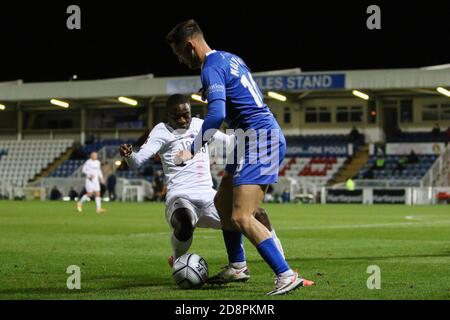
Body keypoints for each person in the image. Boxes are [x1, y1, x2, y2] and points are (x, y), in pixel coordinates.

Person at [166, 20, 313, 295]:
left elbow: (218, 115)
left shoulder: (210, 68)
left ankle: (285, 275)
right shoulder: (229, 58)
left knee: (241, 215)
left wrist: (192, 149)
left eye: (179, 53)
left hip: (259, 138)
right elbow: (240, 94)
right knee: (222, 204)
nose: (179, 59)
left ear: (189, 45)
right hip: (246, 140)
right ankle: (237, 266)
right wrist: (213, 92)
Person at [119, 94, 284, 271]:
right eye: (177, 117)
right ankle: (177, 260)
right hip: (180, 196)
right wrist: (129, 156)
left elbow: (229, 141)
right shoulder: (161, 131)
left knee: (258, 214)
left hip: (209, 196)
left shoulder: (200, 125)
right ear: (168, 115)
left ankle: (282, 264)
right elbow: (137, 161)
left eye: (186, 115)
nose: (183, 120)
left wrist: (252, 131)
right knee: (185, 223)